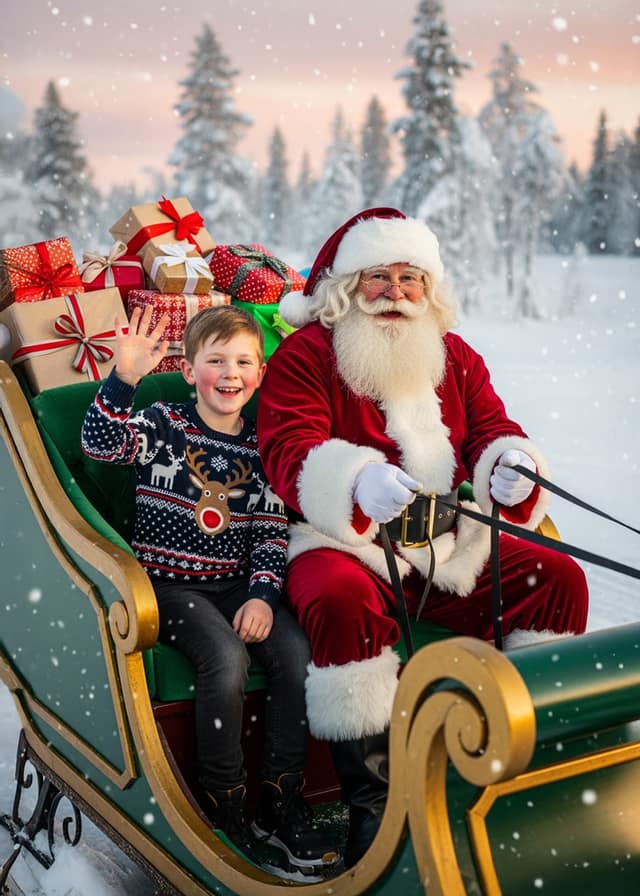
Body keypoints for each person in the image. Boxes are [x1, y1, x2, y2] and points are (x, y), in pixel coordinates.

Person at [256, 207, 589, 868]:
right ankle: (377, 808)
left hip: (444, 542)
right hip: (340, 541)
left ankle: (525, 754)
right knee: (340, 598)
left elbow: (493, 428)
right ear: (347, 285)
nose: (398, 293)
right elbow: (288, 450)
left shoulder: (455, 356)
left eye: (412, 278)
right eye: (379, 276)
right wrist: (354, 482)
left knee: (555, 578)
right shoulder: (307, 356)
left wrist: (510, 467)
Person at [81, 304, 337, 872]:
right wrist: (124, 380)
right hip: (167, 588)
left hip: (235, 587)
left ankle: (281, 794)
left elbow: (272, 533)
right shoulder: (163, 423)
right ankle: (226, 803)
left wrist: (263, 595)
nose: (230, 373)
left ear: (261, 372)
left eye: (244, 361)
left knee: (295, 653)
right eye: (215, 360)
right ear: (190, 368)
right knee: (224, 655)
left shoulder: (263, 445)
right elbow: (100, 445)